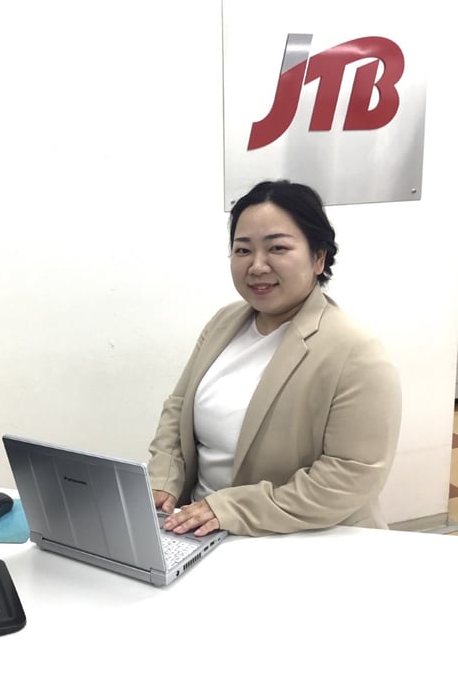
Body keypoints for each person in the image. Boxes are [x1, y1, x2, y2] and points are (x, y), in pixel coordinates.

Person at [148, 179, 402, 537]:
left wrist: (230, 509)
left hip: (301, 540)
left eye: (277, 248)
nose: (256, 266)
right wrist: (163, 480)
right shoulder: (224, 323)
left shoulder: (356, 352)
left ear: (318, 258)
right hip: (201, 529)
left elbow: (350, 475)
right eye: (242, 250)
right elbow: (178, 409)